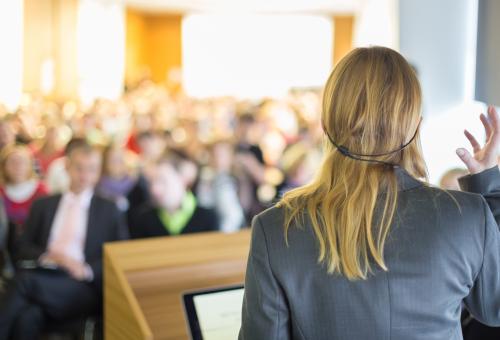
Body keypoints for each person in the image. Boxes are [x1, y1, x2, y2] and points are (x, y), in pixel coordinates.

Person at [239, 47, 500, 340]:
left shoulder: (274, 229)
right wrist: (488, 188)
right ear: (415, 127)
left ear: (326, 127)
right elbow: (495, 309)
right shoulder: (468, 216)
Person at [0, 138, 127, 340]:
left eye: (91, 169)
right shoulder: (45, 205)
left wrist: (86, 270)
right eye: (79, 168)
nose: (84, 175)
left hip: (81, 284)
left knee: (23, 282)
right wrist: (48, 256)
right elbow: (22, 247)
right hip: (46, 274)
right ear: (66, 167)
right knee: (28, 316)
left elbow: (120, 256)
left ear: (98, 172)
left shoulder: (110, 210)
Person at [128, 152, 217, 238]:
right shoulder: (142, 220)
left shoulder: (208, 217)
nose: (154, 189)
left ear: (183, 179)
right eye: (151, 182)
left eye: (162, 181)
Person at [0, 145, 48, 247]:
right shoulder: (1, 191)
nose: (17, 166)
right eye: (12, 162)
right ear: (4, 166)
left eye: (22, 162)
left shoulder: (41, 190)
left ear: (30, 165)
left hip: (33, 246)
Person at [96, 144, 136, 211]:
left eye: (120, 159)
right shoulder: (98, 187)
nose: (118, 163)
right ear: (105, 161)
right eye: (113, 159)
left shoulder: (134, 185)